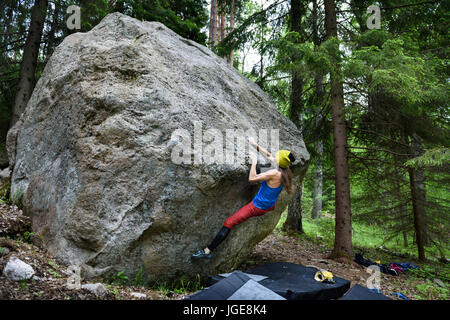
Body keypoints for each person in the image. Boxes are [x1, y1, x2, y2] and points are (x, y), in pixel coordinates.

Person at [191, 137, 295, 260]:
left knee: (229, 223)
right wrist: (254, 144)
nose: (274, 157)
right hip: (270, 205)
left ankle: (207, 252)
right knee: (266, 165)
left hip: (258, 207)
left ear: (279, 161)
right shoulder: (285, 170)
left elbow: (252, 178)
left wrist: (254, 161)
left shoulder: (274, 173)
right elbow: (268, 155)